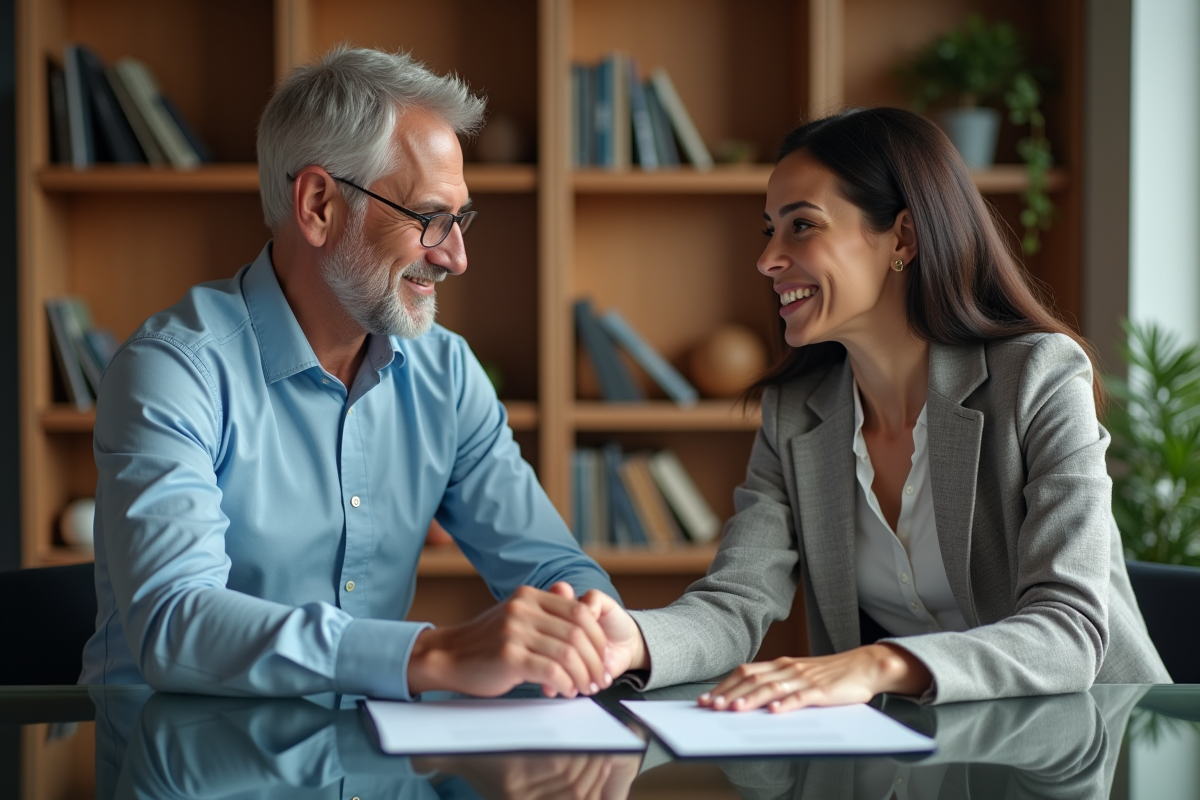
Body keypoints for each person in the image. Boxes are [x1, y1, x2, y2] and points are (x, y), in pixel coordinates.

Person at [80, 46, 621, 702]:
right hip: (184, 763)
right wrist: (435, 651)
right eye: (430, 218)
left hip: (373, 761)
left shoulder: (446, 373)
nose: (456, 256)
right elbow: (175, 622)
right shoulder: (172, 372)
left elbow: (551, 565)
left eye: (461, 218)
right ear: (317, 206)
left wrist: (592, 634)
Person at [582, 107, 1170, 709]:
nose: (767, 260)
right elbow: (735, 602)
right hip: (920, 755)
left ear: (903, 237)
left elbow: (1068, 632)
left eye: (802, 226)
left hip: (1097, 746)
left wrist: (879, 664)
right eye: (769, 231)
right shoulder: (795, 415)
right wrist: (629, 639)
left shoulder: (1038, 376)